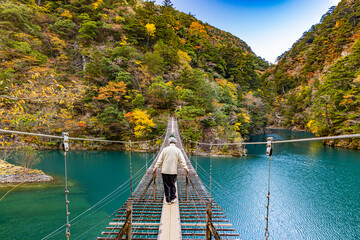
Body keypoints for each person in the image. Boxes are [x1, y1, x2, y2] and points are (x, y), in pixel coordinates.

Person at [153, 136, 189, 205]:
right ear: (175, 143)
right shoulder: (178, 150)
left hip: (164, 171)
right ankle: (173, 198)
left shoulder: (164, 149)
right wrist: (186, 168)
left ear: (169, 143)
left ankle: (168, 200)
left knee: (166, 185)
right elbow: (182, 161)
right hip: (173, 171)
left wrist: (155, 167)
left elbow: (160, 160)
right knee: (172, 184)